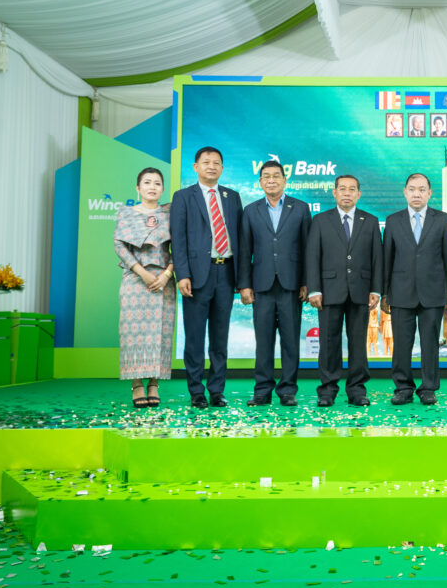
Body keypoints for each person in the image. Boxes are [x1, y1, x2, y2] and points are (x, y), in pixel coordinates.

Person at [170, 146, 243, 409]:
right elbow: (178, 239)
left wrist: (242, 277)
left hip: (227, 272)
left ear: (222, 168)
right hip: (197, 275)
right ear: (196, 167)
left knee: (220, 337)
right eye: (206, 162)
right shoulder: (183, 197)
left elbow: (240, 238)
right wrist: (182, 274)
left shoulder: (232, 197)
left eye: (216, 163)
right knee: (194, 337)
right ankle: (196, 391)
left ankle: (216, 391)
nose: (211, 166)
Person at [237, 160, 311, 407]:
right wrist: (244, 285)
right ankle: (262, 390)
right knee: (264, 342)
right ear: (260, 182)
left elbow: (308, 249)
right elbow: (245, 250)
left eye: (276, 176)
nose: (271, 180)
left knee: (291, 342)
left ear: (284, 180)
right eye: (266, 176)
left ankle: (288, 390)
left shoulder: (300, 208)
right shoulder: (251, 210)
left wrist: (306, 282)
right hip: (261, 286)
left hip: (291, 286)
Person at [306, 175, 383, 406]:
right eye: (342, 189)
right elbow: (312, 256)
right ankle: (327, 390)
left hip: (361, 290)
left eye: (351, 189)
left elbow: (377, 258)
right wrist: (314, 289)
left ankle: (357, 390)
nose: (347, 193)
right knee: (329, 342)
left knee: (358, 342)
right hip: (328, 291)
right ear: (334, 193)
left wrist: (376, 289)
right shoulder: (320, 220)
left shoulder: (370, 221)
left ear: (359, 194)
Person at [382, 173, 447, 405]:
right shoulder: (393, 220)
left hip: (433, 292)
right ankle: (403, 388)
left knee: (430, 344)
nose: (417, 194)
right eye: (412, 189)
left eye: (422, 189)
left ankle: (428, 388)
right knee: (401, 344)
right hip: (400, 292)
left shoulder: (442, 219)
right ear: (405, 192)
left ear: (429, 193)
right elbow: (386, 259)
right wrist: (385, 293)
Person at [114, 167, 175, 408]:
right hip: (135, 279)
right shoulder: (126, 213)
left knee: (161, 333)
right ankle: (137, 384)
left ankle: (154, 384)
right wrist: (142, 272)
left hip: (164, 280)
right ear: (138, 188)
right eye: (147, 182)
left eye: (157, 183)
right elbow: (119, 246)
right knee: (133, 332)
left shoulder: (170, 213)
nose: (152, 187)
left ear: (162, 188)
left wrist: (167, 274)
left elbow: (181, 245)